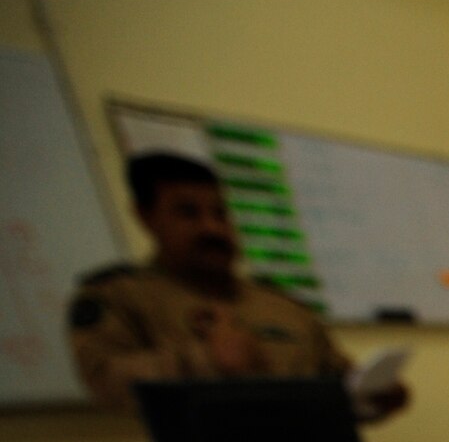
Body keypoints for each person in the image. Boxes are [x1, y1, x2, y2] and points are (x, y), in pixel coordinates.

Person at [67, 152, 408, 420]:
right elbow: (103, 381)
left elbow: (336, 384)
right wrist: (207, 361)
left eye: (220, 213)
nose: (211, 228)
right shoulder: (122, 296)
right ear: (146, 216)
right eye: (188, 213)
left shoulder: (281, 305)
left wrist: (374, 399)